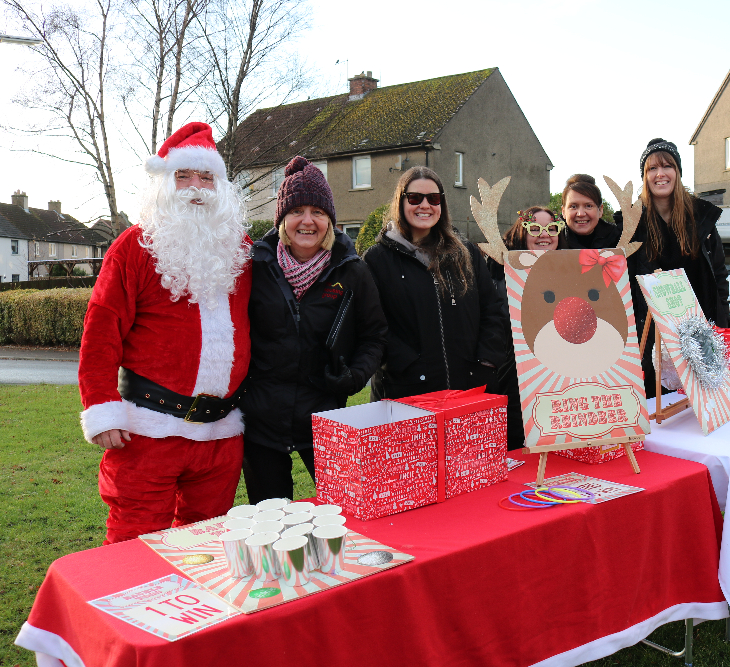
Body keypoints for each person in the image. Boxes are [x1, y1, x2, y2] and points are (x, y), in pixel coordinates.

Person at [78, 122, 252, 544]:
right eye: (184, 176)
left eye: (207, 177)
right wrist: (101, 406)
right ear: (163, 184)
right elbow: (101, 331)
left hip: (221, 434)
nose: (196, 188)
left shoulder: (241, 251)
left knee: (207, 545)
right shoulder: (134, 248)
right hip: (148, 431)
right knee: (134, 545)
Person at [240, 156, 387, 503]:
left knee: (345, 513)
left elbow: (375, 336)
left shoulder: (352, 272)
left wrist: (354, 377)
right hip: (261, 422)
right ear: (282, 220)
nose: (307, 221)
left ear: (330, 222)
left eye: (318, 212)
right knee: (273, 526)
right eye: (297, 211)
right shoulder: (255, 268)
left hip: (326, 418)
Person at [364, 166, 506, 400]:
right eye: (415, 198)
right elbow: (372, 324)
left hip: (470, 388)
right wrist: (408, 366)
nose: (425, 205)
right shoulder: (377, 259)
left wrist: (486, 361)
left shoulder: (467, 253)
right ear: (401, 202)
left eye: (434, 198)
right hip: (406, 392)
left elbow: (493, 310)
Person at [624, 138, 730, 398]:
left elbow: (719, 274)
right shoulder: (631, 222)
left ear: (678, 172)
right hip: (651, 334)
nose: (660, 174)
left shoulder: (701, 218)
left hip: (701, 330)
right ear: (644, 176)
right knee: (657, 406)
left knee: (704, 401)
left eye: (667, 166)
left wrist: (721, 323)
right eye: (652, 169)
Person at [487, 207, 566, 449]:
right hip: (512, 376)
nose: (544, 235)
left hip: (557, 376)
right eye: (535, 229)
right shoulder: (498, 273)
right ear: (522, 233)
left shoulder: (569, 270)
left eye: (552, 228)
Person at [561, 174, 622, 250]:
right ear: (563, 211)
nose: (581, 214)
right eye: (573, 207)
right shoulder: (551, 240)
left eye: (588, 206)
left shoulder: (619, 240)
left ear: (600, 210)